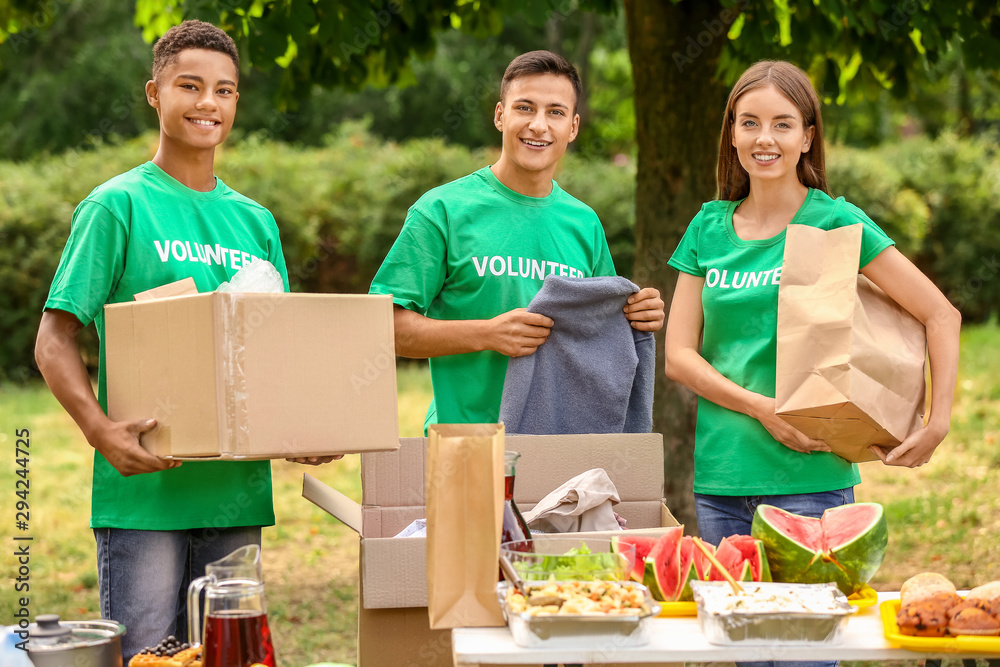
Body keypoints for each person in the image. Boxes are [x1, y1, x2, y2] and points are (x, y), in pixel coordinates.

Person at [34, 20, 333, 662]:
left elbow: (272, 351)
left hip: (236, 492)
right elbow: (54, 340)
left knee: (231, 658)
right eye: (189, 86)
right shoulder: (117, 206)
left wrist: (302, 429)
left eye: (223, 91)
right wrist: (98, 429)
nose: (208, 103)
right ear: (154, 93)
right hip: (144, 492)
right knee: (148, 656)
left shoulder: (255, 221)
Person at [663, 60, 961, 667]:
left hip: (811, 479)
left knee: (804, 657)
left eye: (781, 124)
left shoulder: (833, 219)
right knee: (740, 656)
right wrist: (760, 407)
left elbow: (941, 314)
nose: (764, 139)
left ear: (807, 135)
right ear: (732, 135)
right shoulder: (707, 228)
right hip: (723, 478)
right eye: (749, 124)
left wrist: (938, 419)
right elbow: (677, 355)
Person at [370, 50, 665, 429]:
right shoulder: (442, 209)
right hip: (464, 446)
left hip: (558, 455)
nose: (538, 126)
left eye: (555, 112)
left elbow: (598, 336)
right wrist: (487, 334)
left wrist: (638, 315)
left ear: (573, 128)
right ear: (500, 116)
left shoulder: (584, 223)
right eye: (525, 108)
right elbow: (383, 328)